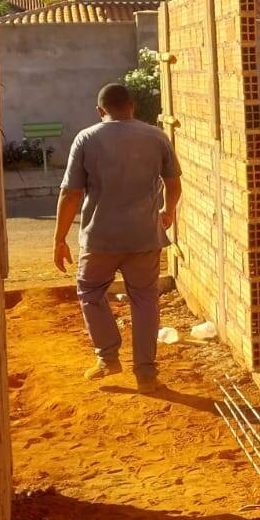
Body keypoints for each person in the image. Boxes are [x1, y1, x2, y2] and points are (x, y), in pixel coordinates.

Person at [53, 82, 182, 386]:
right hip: (145, 237)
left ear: (100, 111)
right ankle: (146, 373)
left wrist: (60, 239)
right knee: (145, 299)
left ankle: (108, 357)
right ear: (132, 107)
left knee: (90, 292)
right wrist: (168, 210)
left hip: (100, 240)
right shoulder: (156, 136)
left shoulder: (87, 138)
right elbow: (174, 183)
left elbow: (71, 194)